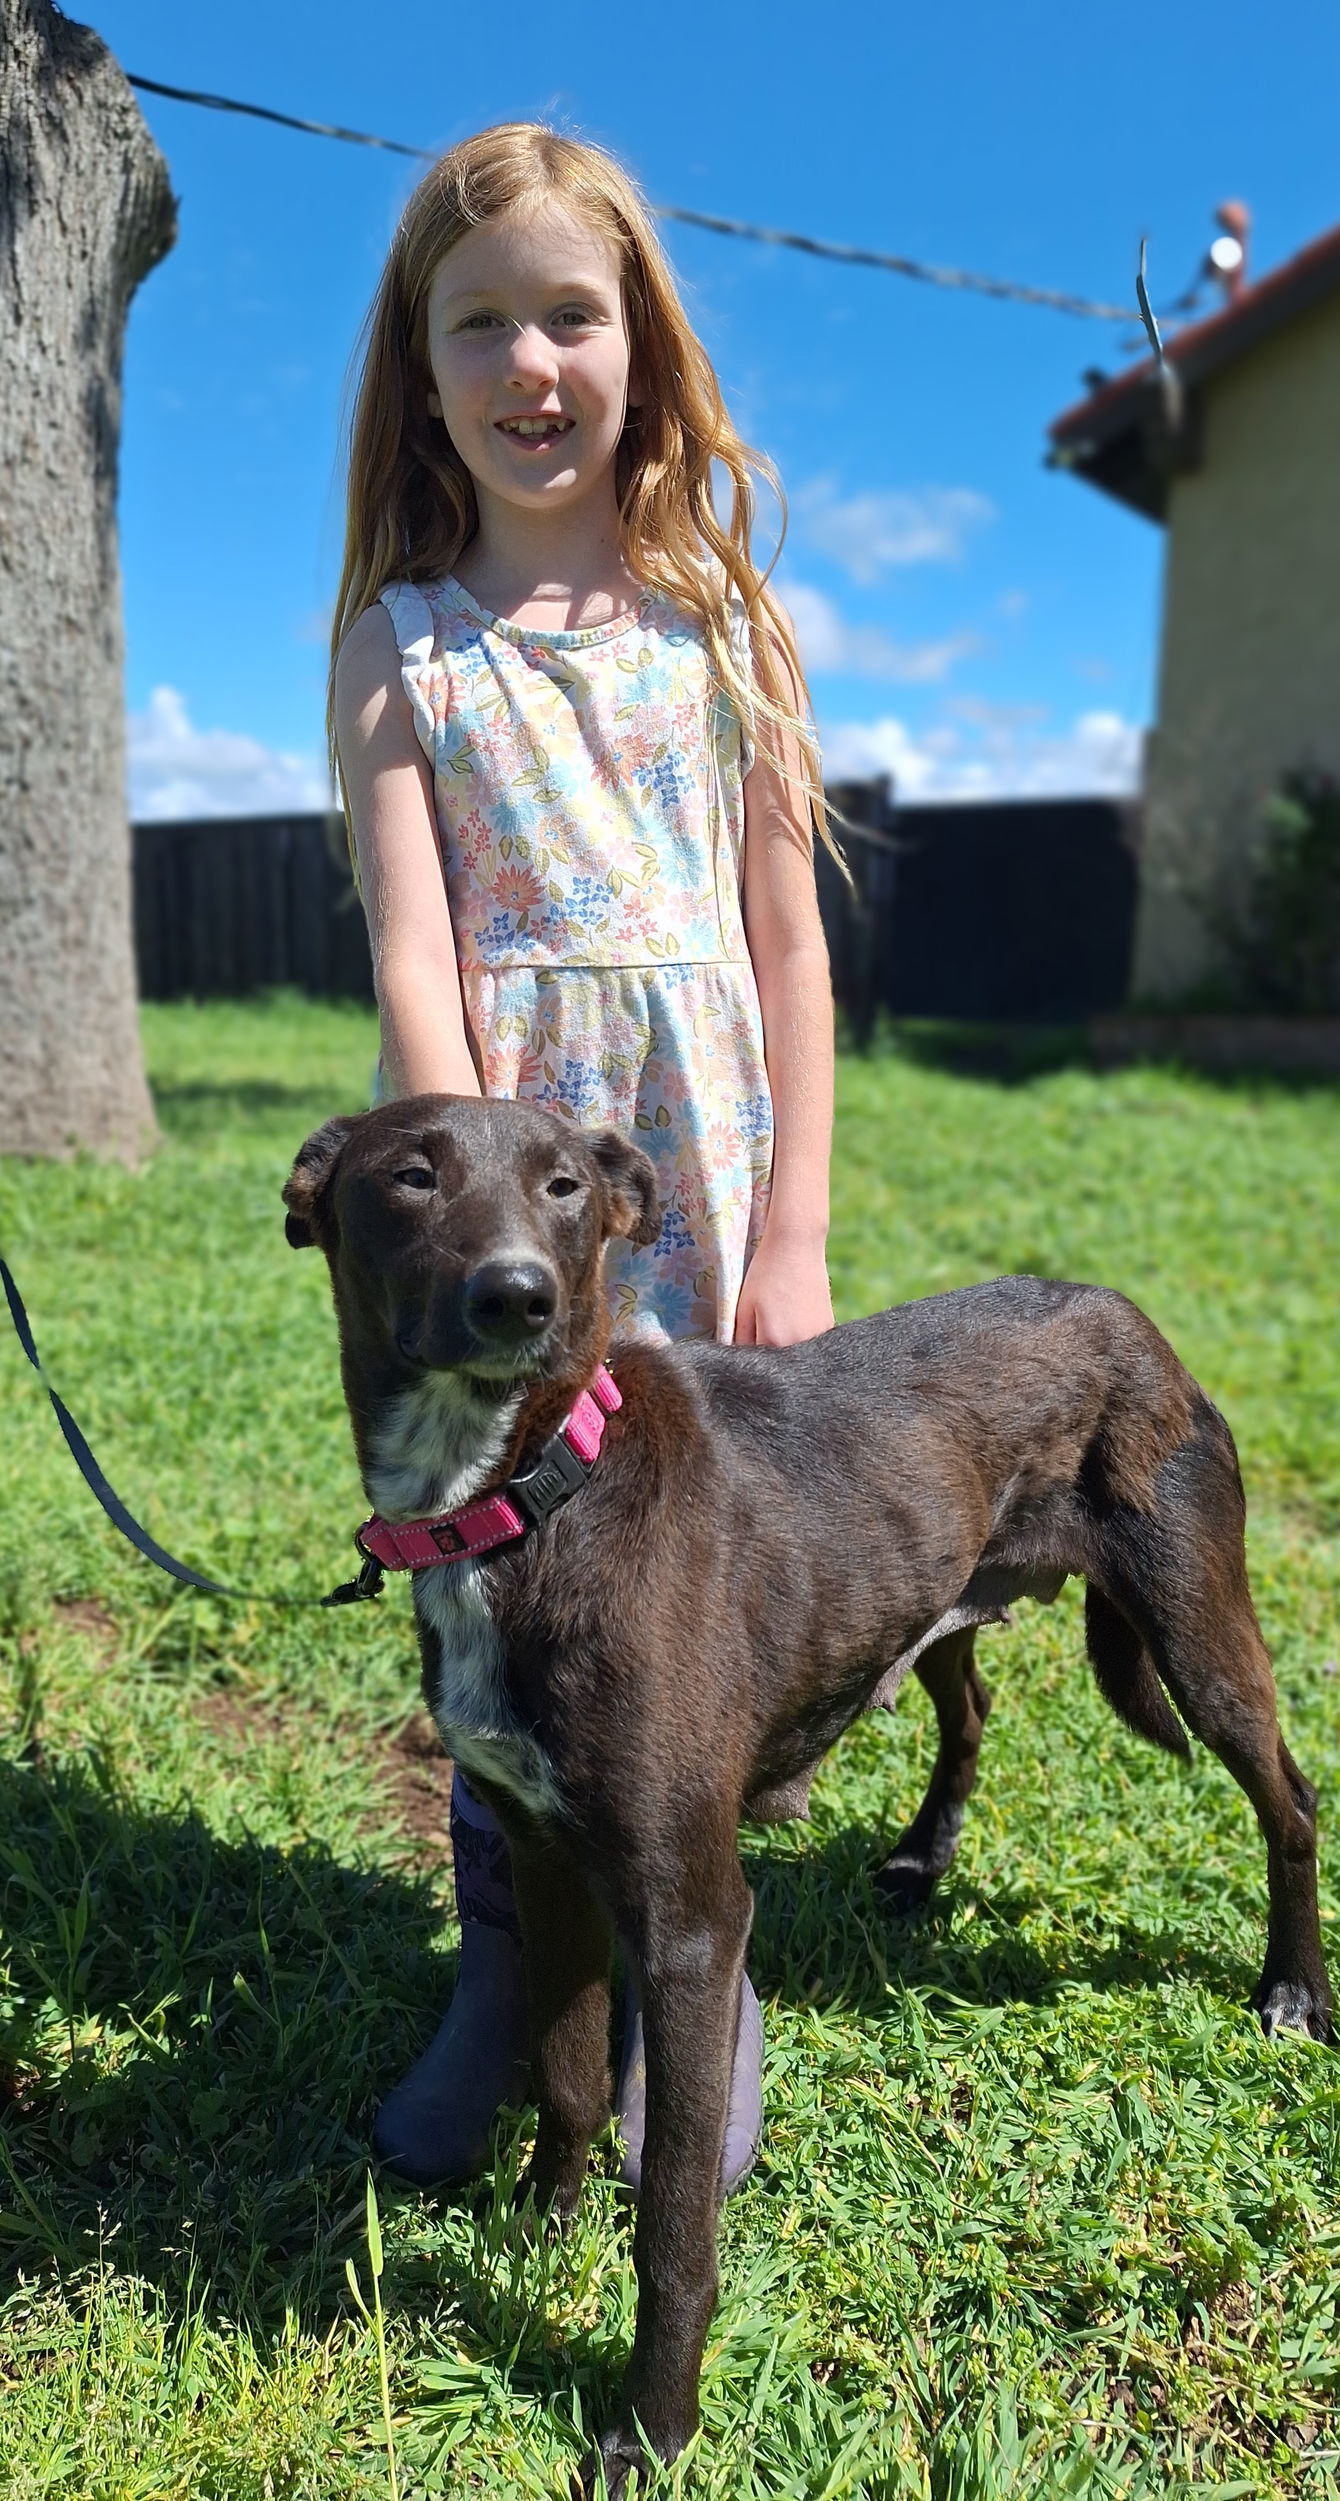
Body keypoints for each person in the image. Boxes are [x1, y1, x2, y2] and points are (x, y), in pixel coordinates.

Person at [328, 123, 835, 2194]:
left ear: (639, 345)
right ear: (420, 365)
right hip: (500, 1184)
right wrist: (465, 1241)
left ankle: (692, 1968)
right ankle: (499, 1966)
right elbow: (412, 959)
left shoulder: (726, 627)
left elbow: (790, 947)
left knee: (677, 1577)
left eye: (569, 313)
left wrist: (792, 1224)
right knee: (494, 1561)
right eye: (479, 324)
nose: (528, 362)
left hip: (688, 1152)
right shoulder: (403, 642)